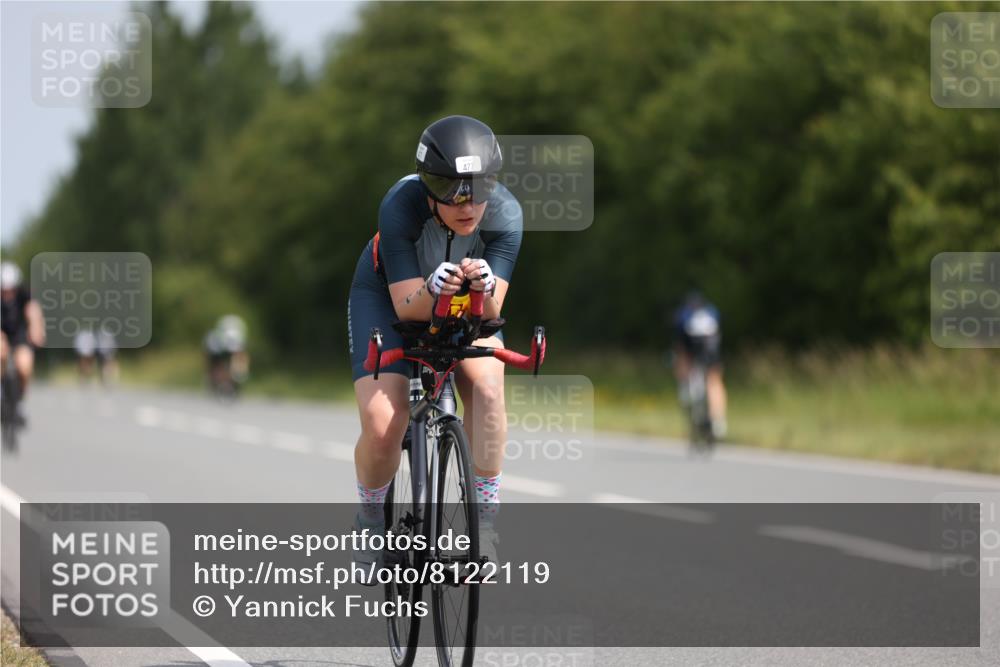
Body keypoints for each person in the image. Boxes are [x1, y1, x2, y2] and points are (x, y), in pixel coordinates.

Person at [347, 115, 522, 571]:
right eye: (451, 190)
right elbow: (407, 307)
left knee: (486, 390)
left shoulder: (506, 215)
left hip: (463, 302)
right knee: (384, 425)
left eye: (478, 188)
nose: (467, 205)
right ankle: (369, 517)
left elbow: (490, 311)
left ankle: (485, 521)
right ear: (428, 186)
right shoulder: (400, 204)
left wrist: (480, 288)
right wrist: (434, 288)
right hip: (389, 296)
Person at [673, 290, 727, 439]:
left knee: (686, 370)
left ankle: (688, 397)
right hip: (710, 350)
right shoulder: (712, 312)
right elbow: (717, 338)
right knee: (715, 381)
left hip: (692, 350)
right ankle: (718, 422)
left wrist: (681, 370)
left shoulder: (682, 316)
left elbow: (681, 347)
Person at [0, 261, 46, 423]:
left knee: (24, 366)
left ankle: (20, 403)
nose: (7, 294)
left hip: (19, 334)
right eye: (3, 291)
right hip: (2, 333)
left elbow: (33, 311)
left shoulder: (24, 293)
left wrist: (36, 329)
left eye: (10, 290)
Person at [203, 315, 249, 396]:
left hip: (227, 348)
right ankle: (213, 378)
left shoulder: (238, 339)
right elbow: (211, 356)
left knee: (239, 358)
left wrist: (240, 370)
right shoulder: (213, 340)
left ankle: (233, 378)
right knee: (215, 362)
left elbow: (241, 355)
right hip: (216, 349)